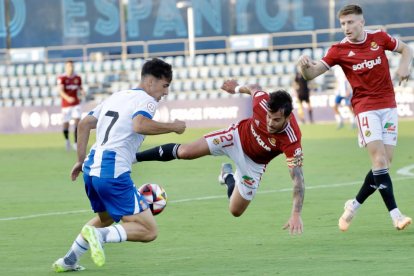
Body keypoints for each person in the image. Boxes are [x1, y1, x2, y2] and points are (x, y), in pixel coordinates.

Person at [52, 58, 186, 272]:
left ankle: (68, 260)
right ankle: (100, 237)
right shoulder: (147, 100)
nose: (166, 92)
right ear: (151, 82)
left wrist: (79, 160)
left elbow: (85, 123)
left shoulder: (118, 96)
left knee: (104, 218)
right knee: (149, 231)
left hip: (91, 168)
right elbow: (139, 124)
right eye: (165, 85)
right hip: (111, 171)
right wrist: (173, 127)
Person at [136, 79, 305, 235]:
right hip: (235, 137)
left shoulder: (292, 140)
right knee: (186, 152)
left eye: (276, 120)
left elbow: (298, 180)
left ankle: (228, 176)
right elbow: (255, 88)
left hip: (254, 163)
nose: (269, 123)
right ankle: (134, 158)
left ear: (288, 117)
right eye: (268, 116)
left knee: (235, 211)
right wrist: (237, 88)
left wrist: (296, 214)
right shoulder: (262, 102)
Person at [297, 4, 412, 231]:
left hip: (388, 106)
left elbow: (407, 49)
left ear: (362, 22)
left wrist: (404, 67)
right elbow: (312, 73)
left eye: (350, 22)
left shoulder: (379, 38)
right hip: (365, 108)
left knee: (384, 165)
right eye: (342, 24)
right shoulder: (338, 50)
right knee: (379, 161)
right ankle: (396, 215)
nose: (346, 27)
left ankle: (353, 205)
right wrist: (304, 68)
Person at [57, 60, 86, 151]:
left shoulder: (77, 77)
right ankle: (67, 140)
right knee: (66, 124)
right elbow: (60, 91)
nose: (71, 68)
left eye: (72, 66)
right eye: (69, 66)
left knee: (78, 122)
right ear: (66, 67)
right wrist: (68, 98)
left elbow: (80, 88)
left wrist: (82, 92)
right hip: (66, 105)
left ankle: (76, 143)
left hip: (76, 104)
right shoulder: (62, 78)